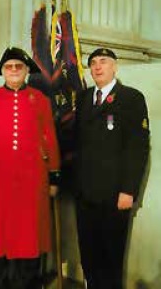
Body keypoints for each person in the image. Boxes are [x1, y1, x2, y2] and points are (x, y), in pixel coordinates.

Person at [0, 47, 61, 289]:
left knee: (30, 235)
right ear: (2, 71)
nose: (13, 71)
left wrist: (54, 177)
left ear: (26, 70)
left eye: (18, 67)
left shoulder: (40, 100)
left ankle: (28, 284)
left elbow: (49, 138)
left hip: (33, 182)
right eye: (8, 67)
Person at [74, 48, 150, 289]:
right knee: (89, 256)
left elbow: (137, 148)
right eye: (93, 63)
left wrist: (129, 190)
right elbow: (78, 144)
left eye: (103, 62)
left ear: (115, 67)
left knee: (110, 259)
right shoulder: (84, 99)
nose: (97, 67)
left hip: (114, 196)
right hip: (85, 196)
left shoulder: (131, 98)